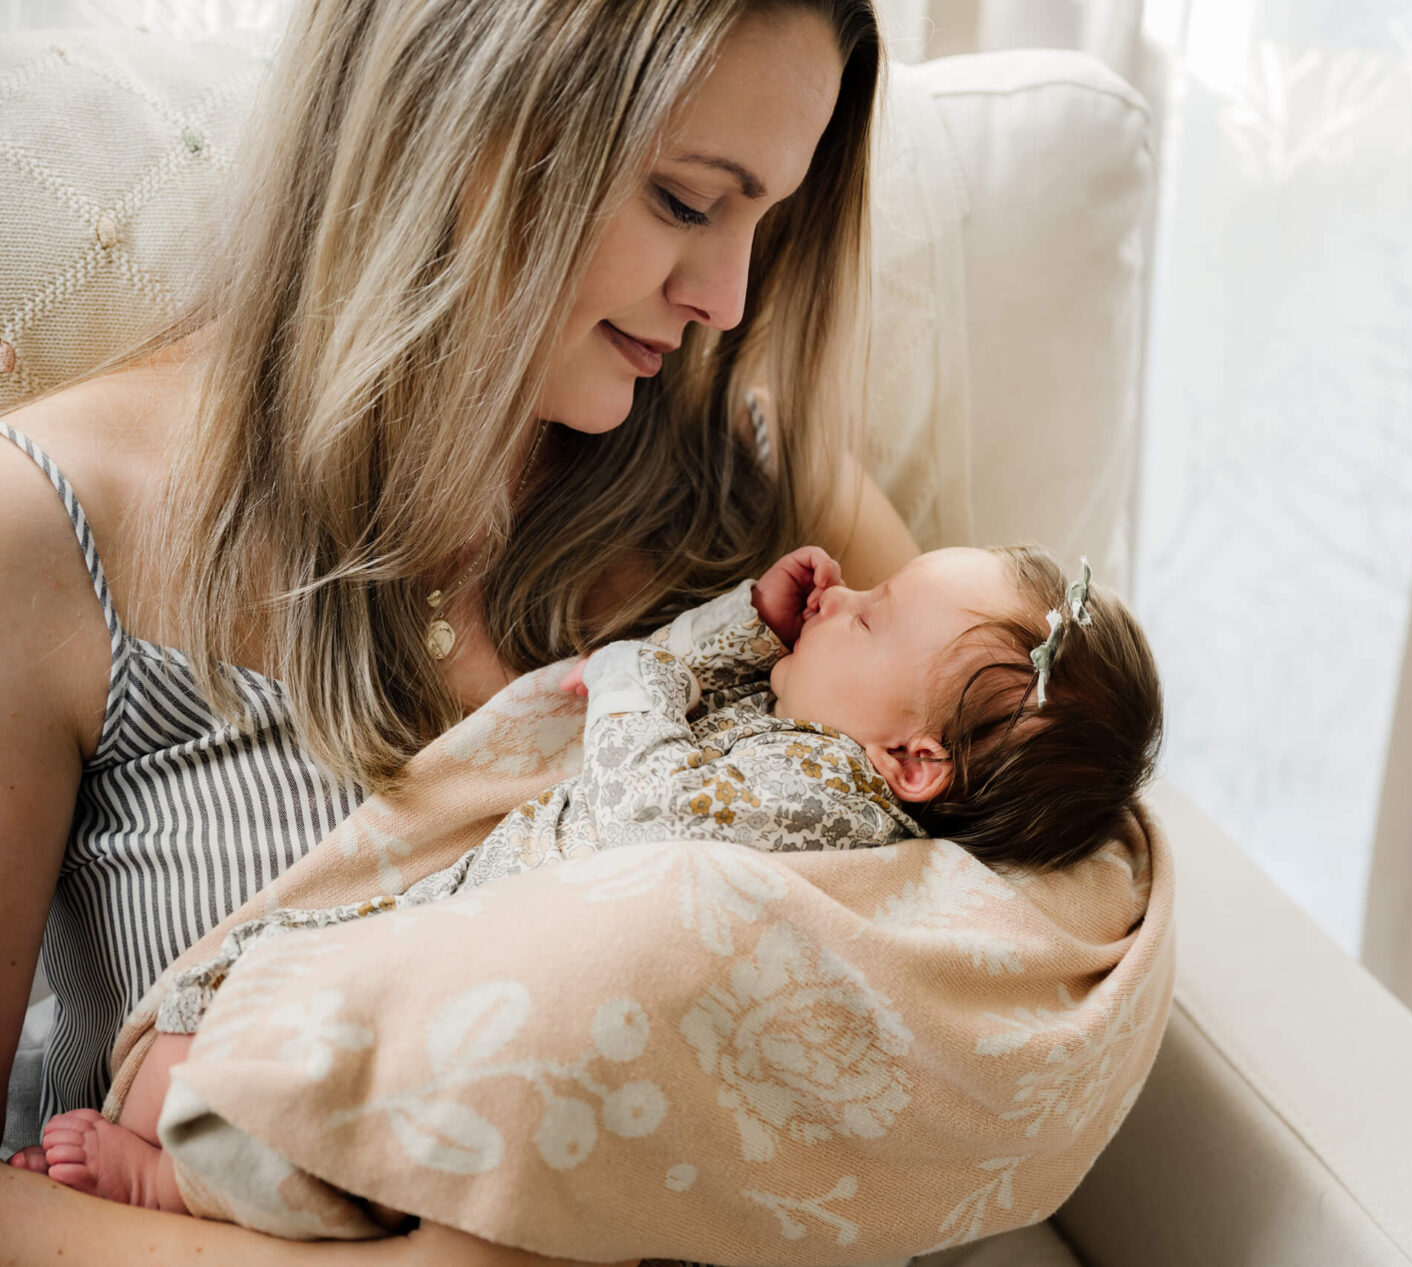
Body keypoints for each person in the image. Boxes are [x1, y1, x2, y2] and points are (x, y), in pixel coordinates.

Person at [0, 1, 919, 1263]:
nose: (726, 297)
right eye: (687, 201)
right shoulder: (57, 533)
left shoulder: (760, 498)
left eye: (768, 219)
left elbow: (1032, 832)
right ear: (457, 116)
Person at [16, 541, 1163, 1233]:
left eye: (869, 615)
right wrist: (744, 623)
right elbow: (709, 700)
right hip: (474, 901)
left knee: (331, 1112)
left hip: (505, 961)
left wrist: (624, 681)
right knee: (240, 985)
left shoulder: (831, 798)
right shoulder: (824, 735)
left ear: (910, 763)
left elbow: (647, 807)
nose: (839, 595)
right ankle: (176, 1126)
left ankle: (180, 1188)